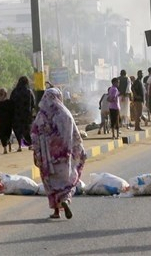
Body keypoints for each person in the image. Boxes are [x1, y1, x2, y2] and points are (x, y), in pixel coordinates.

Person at [31, 88, 87, 219]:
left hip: (47, 158)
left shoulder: (42, 115)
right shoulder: (66, 114)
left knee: (50, 183)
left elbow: (34, 134)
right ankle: (66, 200)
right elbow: (76, 136)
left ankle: (56, 211)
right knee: (67, 181)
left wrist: (36, 153)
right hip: (64, 158)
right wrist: (80, 151)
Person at [10, 76, 36, 152]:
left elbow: (11, 102)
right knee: (27, 129)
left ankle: (20, 145)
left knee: (18, 130)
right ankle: (30, 144)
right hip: (27, 114)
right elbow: (33, 103)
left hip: (17, 114)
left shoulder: (14, 91)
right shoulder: (29, 91)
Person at [0, 88, 14, 154]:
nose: (1, 94)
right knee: (2, 135)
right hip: (1, 122)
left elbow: (12, 112)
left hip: (8, 122)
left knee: (8, 134)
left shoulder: (9, 102)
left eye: (2, 93)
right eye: (0, 93)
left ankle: (8, 143)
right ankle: (5, 148)